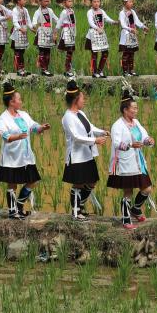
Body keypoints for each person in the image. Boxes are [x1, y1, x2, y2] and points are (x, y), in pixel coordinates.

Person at [0, 81, 50, 219]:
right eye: (19, 99)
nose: (21, 101)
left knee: (33, 181)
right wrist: (17, 136)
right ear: (11, 102)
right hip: (12, 157)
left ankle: (19, 205)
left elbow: (33, 126)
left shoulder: (23, 114)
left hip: (26, 156)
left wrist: (41, 127)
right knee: (12, 184)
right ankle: (13, 211)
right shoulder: (3, 118)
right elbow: (5, 136)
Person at [61, 78, 108, 222]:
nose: (84, 100)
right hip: (76, 156)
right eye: (82, 98)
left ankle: (80, 205)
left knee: (92, 181)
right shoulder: (68, 117)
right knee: (79, 184)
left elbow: (90, 127)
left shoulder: (80, 113)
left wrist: (102, 132)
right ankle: (75, 212)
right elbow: (76, 137)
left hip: (86, 154)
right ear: (76, 100)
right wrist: (95, 140)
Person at [109, 85, 154, 229]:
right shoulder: (118, 125)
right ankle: (126, 217)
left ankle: (135, 209)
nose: (136, 111)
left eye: (136, 108)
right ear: (125, 110)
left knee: (147, 189)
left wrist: (148, 140)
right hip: (125, 163)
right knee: (128, 191)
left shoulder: (136, 123)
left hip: (138, 161)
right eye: (133, 108)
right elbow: (116, 143)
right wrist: (129, 145)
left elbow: (144, 136)